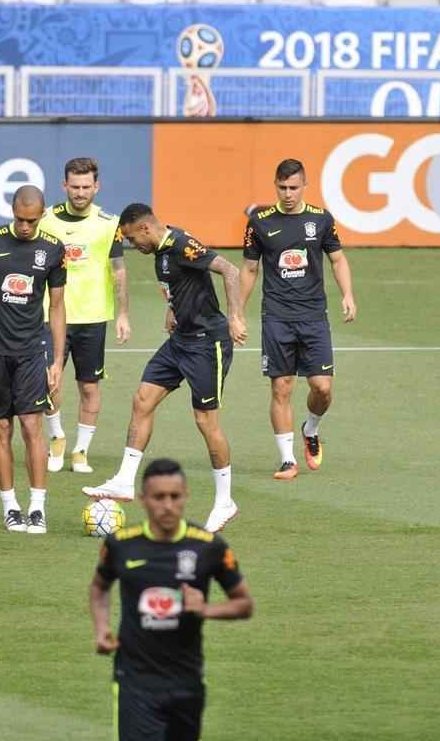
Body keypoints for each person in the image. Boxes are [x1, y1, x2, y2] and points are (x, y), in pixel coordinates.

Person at [83, 204, 246, 533]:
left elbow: (230, 270)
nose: (132, 246)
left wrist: (236, 316)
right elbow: (182, 286)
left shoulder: (182, 243)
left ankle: (225, 501)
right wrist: (173, 310)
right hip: (180, 340)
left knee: (205, 421)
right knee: (143, 399)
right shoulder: (160, 252)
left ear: (144, 229)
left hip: (206, 344)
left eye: (132, 239)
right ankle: (126, 481)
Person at [89, 457, 253, 741]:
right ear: (143, 500)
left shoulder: (208, 547)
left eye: (175, 497)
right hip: (135, 680)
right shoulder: (121, 544)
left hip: (186, 680)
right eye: (158, 497)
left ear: (186, 497)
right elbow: (100, 586)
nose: (167, 505)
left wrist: (206, 610)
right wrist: (101, 628)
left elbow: (244, 603)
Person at [0, 185, 67, 534]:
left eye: (31, 220)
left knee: (33, 428)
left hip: (32, 351)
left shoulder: (52, 249)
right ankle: (10, 507)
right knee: (1, 428)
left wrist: (57, 359)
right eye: (19, 218)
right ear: (12, 210)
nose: (24, 226)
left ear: (42, 213)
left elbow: (59, 306)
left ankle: (37, 507)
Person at [241, 158, 356, 481]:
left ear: (305, 185)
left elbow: (337, 259)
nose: (288, 193)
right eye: (282, 187)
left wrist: (347, 294)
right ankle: (287, 460)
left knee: (322, 388)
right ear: (274, 185)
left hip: (313, 316)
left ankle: (311, 427)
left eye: (294, 187)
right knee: (281, 387)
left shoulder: (320, 220)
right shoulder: (259, 222)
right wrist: (236, 312)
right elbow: (249, 269)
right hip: (276, 316)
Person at [38, 157, 131, 474]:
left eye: (86, 187)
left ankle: (80, 451)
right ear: (64, 186)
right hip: (52, 317)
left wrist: (123, 314)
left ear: (96, 186)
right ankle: (57, 438)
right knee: (48, 381)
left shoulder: (109, 223)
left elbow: (119, 270)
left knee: (89, 387)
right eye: (74, 186)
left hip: (93, 316)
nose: (80, 193)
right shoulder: (45, 219)